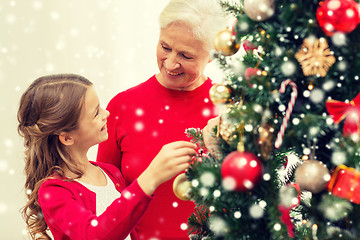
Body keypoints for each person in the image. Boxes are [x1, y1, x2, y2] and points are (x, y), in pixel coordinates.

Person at [96, 0, 227, 239]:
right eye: (165, 47)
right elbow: (104, 200)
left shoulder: (229, 110)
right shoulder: (122, 107)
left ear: (212, 55)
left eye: (186, 55)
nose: (170, 63)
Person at [18, 74, 197, 240]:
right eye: (96, 113)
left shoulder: (110, 173)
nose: (106, 114)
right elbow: (95, 234)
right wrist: (150, 178)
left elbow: (126, 222)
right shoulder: (53, 191)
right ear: (67, 137)